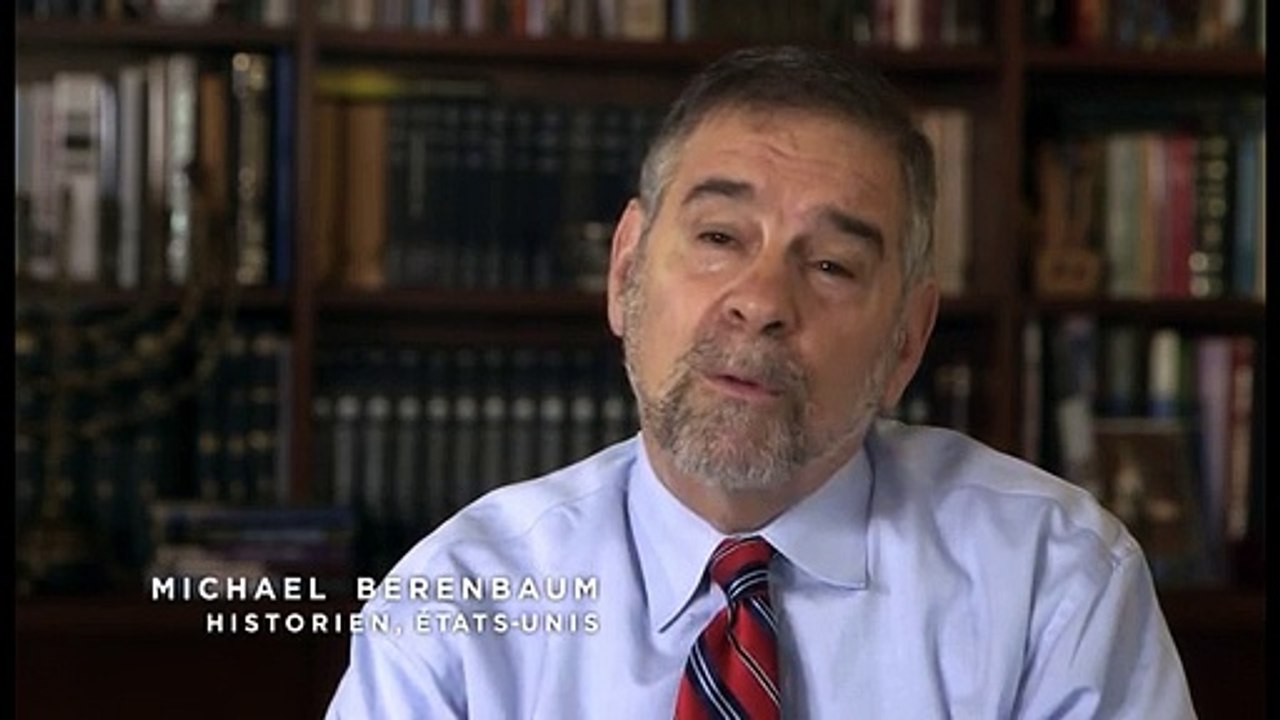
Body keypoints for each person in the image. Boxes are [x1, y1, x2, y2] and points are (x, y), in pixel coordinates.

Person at [326, 45, 1196, 718]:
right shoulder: (460, 605)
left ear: (906, 340)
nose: (762, 303)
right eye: (718, 239)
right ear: (625, 272)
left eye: (830, 264)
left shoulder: (1054, 585)